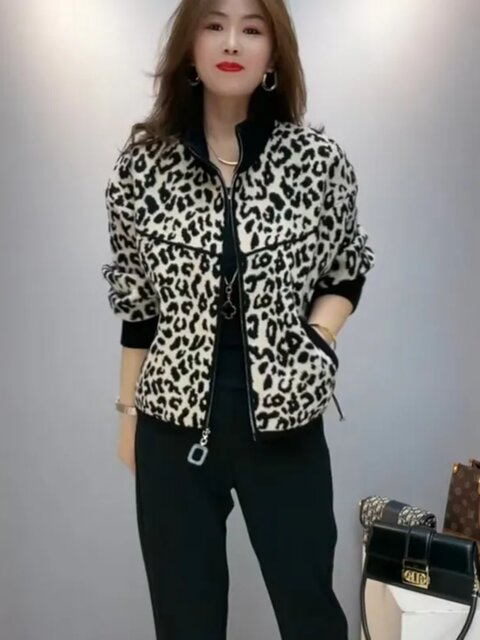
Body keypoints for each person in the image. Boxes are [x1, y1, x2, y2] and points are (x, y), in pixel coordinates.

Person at [101, 0, 376, 637]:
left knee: (310, 614)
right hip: (172, 426)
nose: (232, 41)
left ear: (274, 54)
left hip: (285, 421)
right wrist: (127, 414)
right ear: (189, 47)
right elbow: (137, 305)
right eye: (214, 24)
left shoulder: (316, 162)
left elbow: (346, 269)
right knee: (185, 620)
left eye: (252, 28)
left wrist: (318, 338)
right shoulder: (142, 169)